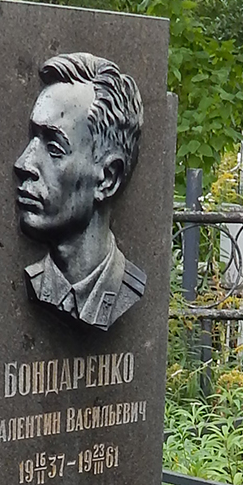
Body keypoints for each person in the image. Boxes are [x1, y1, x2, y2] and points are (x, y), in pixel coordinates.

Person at [14, 52, 146, 331]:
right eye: (32, 140)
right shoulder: (37, 281)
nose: (24, 164)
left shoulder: (127, 288)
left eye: (53, 148)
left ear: (107, 178)